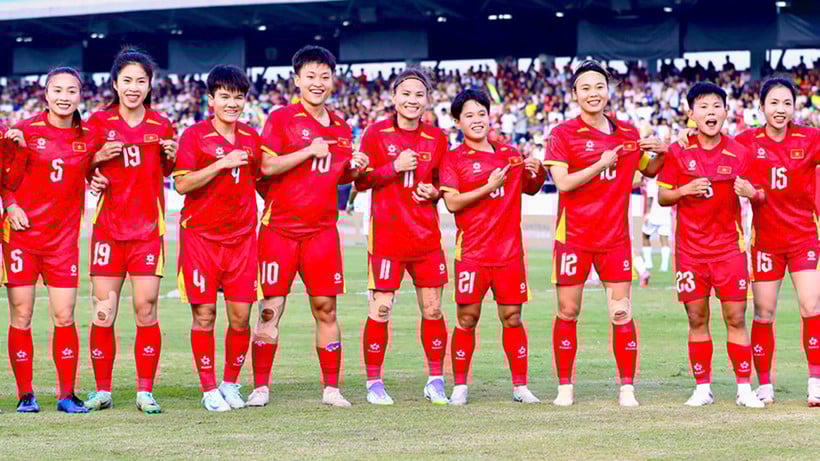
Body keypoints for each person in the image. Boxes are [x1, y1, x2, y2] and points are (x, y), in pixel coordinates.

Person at [251, 45, 369, 407]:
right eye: (311, 76)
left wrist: (354, 168)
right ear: (297, 80)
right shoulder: (281, 118)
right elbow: (266, 167)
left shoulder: (341, 127)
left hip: (321, 232)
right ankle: (260, 387)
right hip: (279, 229)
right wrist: (307, 150)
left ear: (333, 81)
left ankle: (331, 388)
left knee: (326, 309)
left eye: (324, 76)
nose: (318, 82)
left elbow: (338, 176)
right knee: (270, 308)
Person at [543, 59, 665, 407]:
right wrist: (600, 163)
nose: (593, 93)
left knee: (621, 313)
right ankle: (565, 387)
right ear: (574, 94)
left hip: (615, 239)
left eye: (599, 86)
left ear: (608, 90)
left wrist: (660, 152)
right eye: (585, 88)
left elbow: (650, 170)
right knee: (568, 312)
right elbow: (563, 183)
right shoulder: (562, 134)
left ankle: (627, 387)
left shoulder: (627, 132)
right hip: (574, 238)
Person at [657, 82, 764, 408]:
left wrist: (751, 193)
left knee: (736, 318)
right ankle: (702, 388)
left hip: (729, 250)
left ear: (726, 112)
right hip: (690, 253)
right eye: (703, 107)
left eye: (717, 106)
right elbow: (663, 196)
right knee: (696, 318)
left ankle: (744, 389)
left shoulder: (740, 152)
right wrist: (685, 190)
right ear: (692, 114)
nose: (711, 112)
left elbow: (760, 194)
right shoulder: (678, 151)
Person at [84, 48, 178, 414]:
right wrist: (96, 163)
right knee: (103, 313)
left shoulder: (161, 124)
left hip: (147, 232)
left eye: (141, 81)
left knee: (146, 309)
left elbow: (169, 171)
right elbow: (81, 164)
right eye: (127, 80)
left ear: (150, 85)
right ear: (115, 84)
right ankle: (102, 390)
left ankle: (145, 391)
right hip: (108, 231)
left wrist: (171, 156)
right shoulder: (98, 122)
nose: (134, 87)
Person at [440, 89, 547, 405]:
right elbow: (452, 203)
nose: (477, 120)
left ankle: (520, 386)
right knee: (467, 318)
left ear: (490, 117)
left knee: (512, 317)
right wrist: (489, 187)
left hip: (509, 254)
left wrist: (538, 172)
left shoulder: (510, 154)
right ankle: (460, 386)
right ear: (458, 122)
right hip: (472, 253)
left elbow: (530, 188)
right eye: (469, 115)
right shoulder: (453, 158)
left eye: (481, 114)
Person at [354, 69, 450, 405]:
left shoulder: (437, 137)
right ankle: (374, 382)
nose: (412, 100)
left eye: (419, 95)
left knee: (433, 310)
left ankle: (435, 380)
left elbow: (443, 184)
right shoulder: (375, 133)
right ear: (394, 97)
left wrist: (434, 192)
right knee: (380, 309)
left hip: (426, 239)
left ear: (427, 100)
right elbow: (360, 182)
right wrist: (394, 167)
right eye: (406, 94)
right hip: (387, 238)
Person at [173, 65, 265, 412]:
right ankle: (208, 387)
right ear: (210, 99)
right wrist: (220, 164)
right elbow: (182, 184)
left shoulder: (252, 137)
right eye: (224, 96)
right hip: (201, 238)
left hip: (242, 239)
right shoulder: (194, 135)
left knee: (241, 317)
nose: (232, 103)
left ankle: (230, 383)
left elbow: (263, 179)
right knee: (205, 315)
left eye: (238, 97)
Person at [2, 67, 94, 413]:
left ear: (80, 95)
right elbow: (4, 175)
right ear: (46, 93)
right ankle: (26, 395)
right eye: (57, 90)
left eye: (71, 91)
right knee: (21, 314)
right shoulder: (24, 129)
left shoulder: (89, 136)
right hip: (22, 238)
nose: (64, 97)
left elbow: (97, 166)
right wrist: (10, 205)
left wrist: (98, 176)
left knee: (64, 316)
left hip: (62, 242)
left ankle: (66, 394)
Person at [734, 78, 820, 406]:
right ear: (761, 107)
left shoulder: (810, 138)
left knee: (811, 306)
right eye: (774, 103)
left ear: (794, 107)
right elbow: (713, 147)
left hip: (804, 238)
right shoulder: (746, 141)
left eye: (787, 103)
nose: (780, 109)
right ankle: (765, 385)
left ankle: (815, 382)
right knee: (764, 313)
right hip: (766, 242)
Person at [642, 176, 673, 272]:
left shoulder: (652, 183)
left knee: (645, 236)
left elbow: (650, 199)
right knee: (664, 239)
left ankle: (648, 263)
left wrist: (647, 214)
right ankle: (664, 265)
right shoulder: (667, 181)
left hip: (654, 215)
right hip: (666, 214)